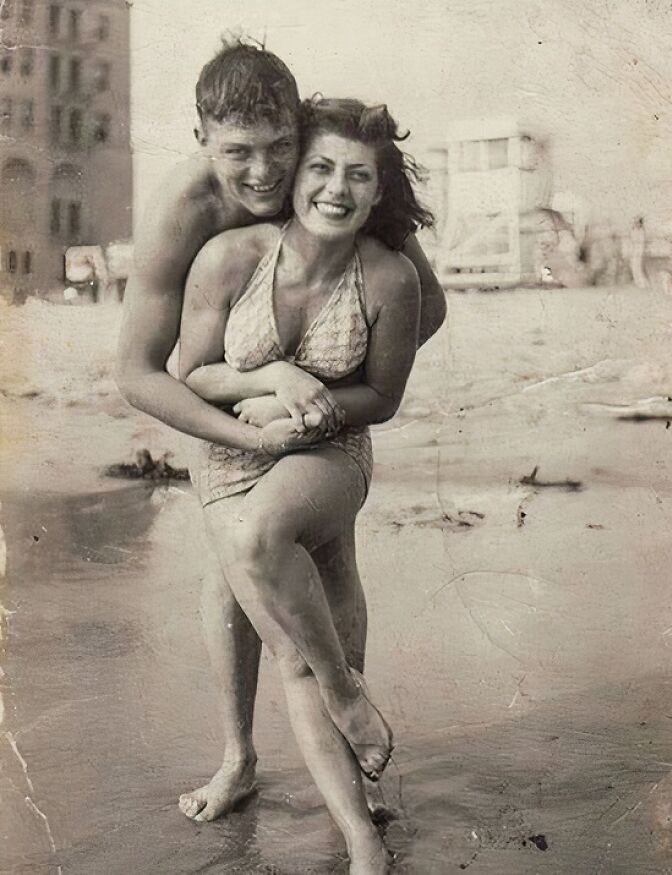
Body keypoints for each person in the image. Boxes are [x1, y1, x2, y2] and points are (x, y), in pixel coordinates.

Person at [116, 38, 446, 823]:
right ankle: (238, 757)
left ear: (299, 132)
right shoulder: (186, 208)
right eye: (238, 153)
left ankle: (354, 765)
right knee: (230, 570)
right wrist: (250, 418)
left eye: (278, 150)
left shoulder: (329, 172)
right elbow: (138, 371)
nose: (263, 174)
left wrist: (325, 392)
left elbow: (423, 307)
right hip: (228, 401)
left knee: (333, 562)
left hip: (320, 409)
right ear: (202, 140)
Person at [177, 94, 431, 874]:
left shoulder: (389, 277)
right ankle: (294, 758)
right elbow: (188, 373)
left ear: (380, 188)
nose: (336, 188)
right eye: (321, 167)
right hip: (226, 454)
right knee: (261, 606)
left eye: (359, 174)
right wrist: (276, 376)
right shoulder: (232, 256)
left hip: (329, 449)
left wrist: (304, 416)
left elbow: (380, 400)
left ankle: (358, 815)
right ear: (294, 176)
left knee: (270, 566)